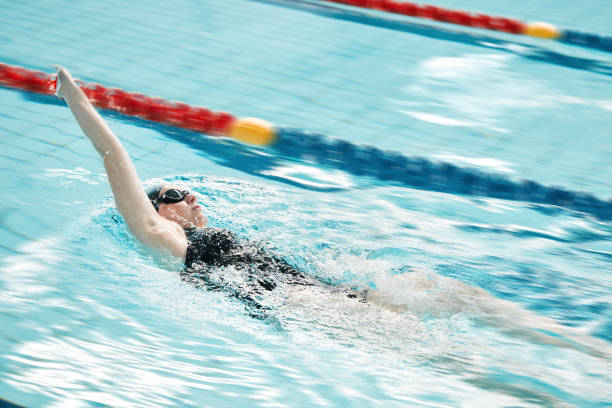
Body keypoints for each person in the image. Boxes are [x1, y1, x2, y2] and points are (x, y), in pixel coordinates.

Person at [56, 67, 609, 358]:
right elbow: (113, 156)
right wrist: (79, 103)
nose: (192, 197)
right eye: (177, 194)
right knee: (453, 356)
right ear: (159, 212)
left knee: (454, 295)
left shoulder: (213, 235)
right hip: (307, 308)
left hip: (324, 291)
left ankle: (586, 351)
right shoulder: (167, 242)